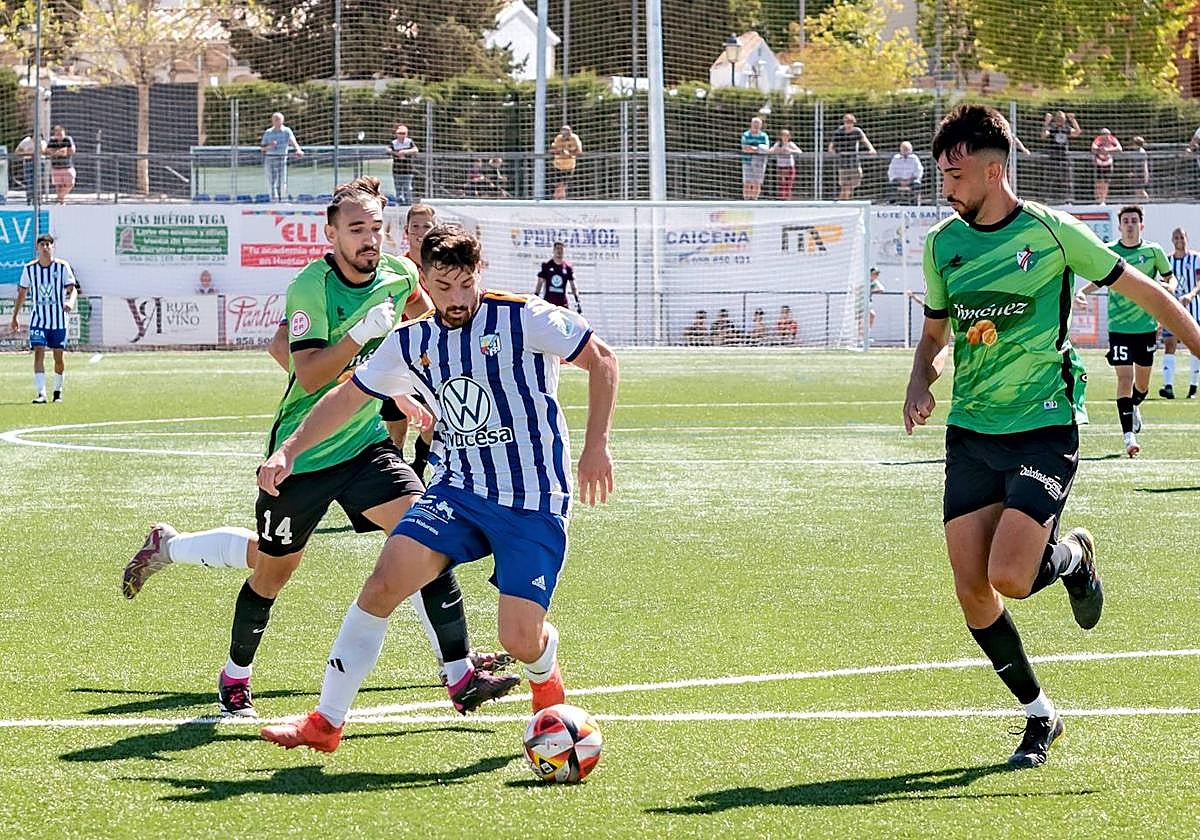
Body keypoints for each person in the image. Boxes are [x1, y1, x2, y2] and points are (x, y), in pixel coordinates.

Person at [122, 178, 512, 718]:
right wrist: (359, 336)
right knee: (270, 569)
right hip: (303, 455)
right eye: (356, 229)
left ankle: (459, 674)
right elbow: (306, 375)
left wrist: (414, 393)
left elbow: (425, 329)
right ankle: (230, 665)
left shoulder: (400, 274)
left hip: (367, 446)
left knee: (427, 539)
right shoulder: (312, 287)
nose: (369, 239)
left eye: (376, 227)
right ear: (331, 235)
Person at [905, 104, 1200, 768]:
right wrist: (919, 382)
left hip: (1044, 425)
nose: (945, 187)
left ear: (991, 167)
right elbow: (934, 335)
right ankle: (1041, 716)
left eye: (954, 174)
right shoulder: (942, 245)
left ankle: (1071, 559)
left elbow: (1148, 293)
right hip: (971, 431)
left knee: (1009, 577)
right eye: (940, 175)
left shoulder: (1052, 231)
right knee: (971, 589)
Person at [259, 224, 619, 751]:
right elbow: (348, 396)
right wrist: (289, 448)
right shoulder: (412, 340)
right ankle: (326, 721)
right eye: (443, 287)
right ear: (423, 278)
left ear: (480, 273)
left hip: (532, 496)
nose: (456, 299)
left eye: (465, 285)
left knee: (517, 638)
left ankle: (545, 671)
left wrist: (595, 447)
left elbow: (602, 358)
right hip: (459, 491)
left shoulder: (523, 316)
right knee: (383, 584)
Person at [1075, 206, 1174, 457]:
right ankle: (1128, 437)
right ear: (1119, 226)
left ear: (1142, 224)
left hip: (1146, 327)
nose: (1129, 224)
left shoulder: (1153, 251)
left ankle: (1136, 405)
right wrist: (1082, 292)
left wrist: (1168, 286)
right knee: (1124, 379)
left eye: (1134, 221)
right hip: (1119, 328)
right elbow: (1101, 278)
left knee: (1142, 386)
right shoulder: (1110, 252)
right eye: (1125, 221)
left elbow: (1170, 277)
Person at [9, 234, 77, 403]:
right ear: (37, 248)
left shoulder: (62, 267)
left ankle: (57, 391)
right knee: (38, 352)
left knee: (58, 357)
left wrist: (70, 302)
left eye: (48, 244)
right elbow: (22, 293)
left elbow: (72, 289)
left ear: (53, 247)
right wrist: (15, 316)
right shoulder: (29, 269)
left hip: (58, 320)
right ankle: (41, 394)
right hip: (38, 319)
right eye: (42, 244)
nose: (45, 247)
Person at [1160, 227, 1200, 399]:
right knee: (1169, 344)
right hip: (1172, 310)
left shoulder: (1196, 258)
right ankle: (1168, 387)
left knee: (1195, 346)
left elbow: (1199, 282)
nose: (1179, 240)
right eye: (1176, 237)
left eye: (1181, 237)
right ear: (1172, 240)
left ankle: (1193, 386)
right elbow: (1163, 283)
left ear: (1186, 238)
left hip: (1193, 309)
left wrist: (1190, 295)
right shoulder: (1168, 261)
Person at [828, 113, 876, 201]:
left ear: (853, 123)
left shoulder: (857, 131)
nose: (848, 125)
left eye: (850, 122)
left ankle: (843, 201)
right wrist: (831, 150)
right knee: (845, 186)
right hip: (843, 163)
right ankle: (843, 203)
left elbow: (865, 140)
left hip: (854, 163)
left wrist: (871, 149)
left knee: (852, 185)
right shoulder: (839, 131)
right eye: (846, 122)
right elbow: (832, 144)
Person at [261, 113, 304, 202]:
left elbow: (292, 141)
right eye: (274, 119)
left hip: (282, 158)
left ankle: (283, 200)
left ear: (282, 120)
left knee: (282, 180)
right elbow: (262, 149)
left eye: (278, 119)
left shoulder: (286, 131)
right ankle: (274, 200)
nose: (276, 121)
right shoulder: (268, 132)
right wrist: (270, 146)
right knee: (271, 181)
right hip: (270, 158)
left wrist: (298, 150)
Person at [1041, 110, 1081, 202]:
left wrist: (1073, 120)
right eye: (1058, 118)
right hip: (1053, 157)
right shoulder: (1052, 128)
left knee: (1067, 180)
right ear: (1055, 119)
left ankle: (1068, 200)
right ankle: (1047, 199)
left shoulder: (1066, 128)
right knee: (1050, 179)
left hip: (1064, 157)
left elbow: (1077, 132)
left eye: (1062, 118)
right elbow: (1043, 135)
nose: (1060, 120)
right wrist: (1047, 122)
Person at [534, 241, 581, 312]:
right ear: (553, 250)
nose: (559, 251)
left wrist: (577, 301)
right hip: (549, 303)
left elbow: (573, 286)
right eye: (557, 249)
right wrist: (536, 297)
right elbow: (540, 283)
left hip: (562, 303)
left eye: (561, 249)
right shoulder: (546, 265)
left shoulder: (567, 267)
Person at [387, 124, 418, 206]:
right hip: (397, 170)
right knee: (398, 190)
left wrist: (405, 152)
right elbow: (388, 150)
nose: (401, 135)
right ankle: (399, 205)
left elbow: (415, 150)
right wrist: (397, 154)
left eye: (403, 133)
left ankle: (407, 205)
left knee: (407, 188)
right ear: (396, 134)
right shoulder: (394, 143)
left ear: (406, 134)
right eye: (399, 133)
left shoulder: (409, 142)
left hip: (408, 170)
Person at [740, 117, 770, 200]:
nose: (756, 125)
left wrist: (753, 148)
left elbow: (766, 148)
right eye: (754, 123)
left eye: (758, 123)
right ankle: (746, 200)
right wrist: (758, 148)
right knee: (747, 182)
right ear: (751, 124)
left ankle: (754, 199)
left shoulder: (764, 136)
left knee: (757, 182)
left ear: (761, 125)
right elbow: (745, 148)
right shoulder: (746, 134)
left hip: (760, 162)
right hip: (747, 161)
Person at [45, 125, 76, 205]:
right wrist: (60, 151)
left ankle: (60, 197)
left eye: (61, 134)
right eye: (58, 134)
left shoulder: (68, 139)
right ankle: (61, 202)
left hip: (67, 166)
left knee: (70, 183)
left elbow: (72, 150)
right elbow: (47, 151)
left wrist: (61, 152)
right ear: (55, 134)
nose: (60, 136)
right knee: (59, 186)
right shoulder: (52, 140)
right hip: (56, 167)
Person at [550, 125, 582, 199]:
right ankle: (557, 199)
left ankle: (561, 199)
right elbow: (552, 150)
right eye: (563, 132)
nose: (564, 135)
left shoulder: (574, 138)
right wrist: (561, 151)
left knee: (564, 184)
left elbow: (579, 151)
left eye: (567, 132)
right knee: (558, 184)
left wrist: (569, 152)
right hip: (558, 165)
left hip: (569, 165)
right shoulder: (558, 138)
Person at [1091, 128, 1121, 205]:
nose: (1105, 137)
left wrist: (1108, 150)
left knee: (1106, 183)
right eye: (1103, 134)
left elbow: (1119, 149)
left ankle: (1103, 200)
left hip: (1108, 163)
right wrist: (1100, 149)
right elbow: (1093, 148)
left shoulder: (1113, 139)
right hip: (1098, 163)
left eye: (1107, 134)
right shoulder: (1098, 139)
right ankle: (1097, 199)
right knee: (1098, 182)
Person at [768, 129, 801, 200]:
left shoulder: (791, 144)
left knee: (789, 184)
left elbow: (799, 151)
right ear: (780, 136)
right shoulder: (778, 144)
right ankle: (782, 198)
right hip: (781, 167)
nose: (785, 137)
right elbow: (770, 151)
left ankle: (787, 198)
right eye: (783, 135)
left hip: (790, 166)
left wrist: (790, 150)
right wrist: (776, 150)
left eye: (787, 135)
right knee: (781, 184)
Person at [16, 134, 44, 204]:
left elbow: (43, 151)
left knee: (38, 180)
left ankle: (38, 199)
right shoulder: (26, 141)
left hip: (39, 161)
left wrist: (37, 149)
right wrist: (27, 152)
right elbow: (17, 151)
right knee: (29, 181)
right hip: (28, 161)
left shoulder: (42, 142)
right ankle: (29, 199)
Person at [1129, 136, 1150, 200]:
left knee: (1140, 190)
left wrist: (1144, 175)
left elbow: (1143, 165)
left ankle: (1146, 201)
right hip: (1137, 174)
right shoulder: (1136, 152)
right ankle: (1138, 203)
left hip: (1140, 174)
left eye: (1133, 143)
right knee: (1137, 190)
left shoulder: (1141, 152)